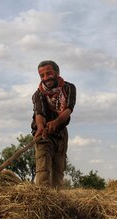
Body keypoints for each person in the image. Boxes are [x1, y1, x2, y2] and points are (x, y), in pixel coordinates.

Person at [31, 60, 76, 188]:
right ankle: (42, 199)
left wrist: (56, 123)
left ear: (57, 72)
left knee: (58, 170)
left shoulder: (69, 88)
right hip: (43, 133)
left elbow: (68, 109)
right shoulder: (38, 94)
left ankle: (58, 201)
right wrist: (40, 127)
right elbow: (39, 113)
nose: (46, 78)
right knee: (43, 169)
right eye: (42, 76)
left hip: (60, 133)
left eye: (49, 74)